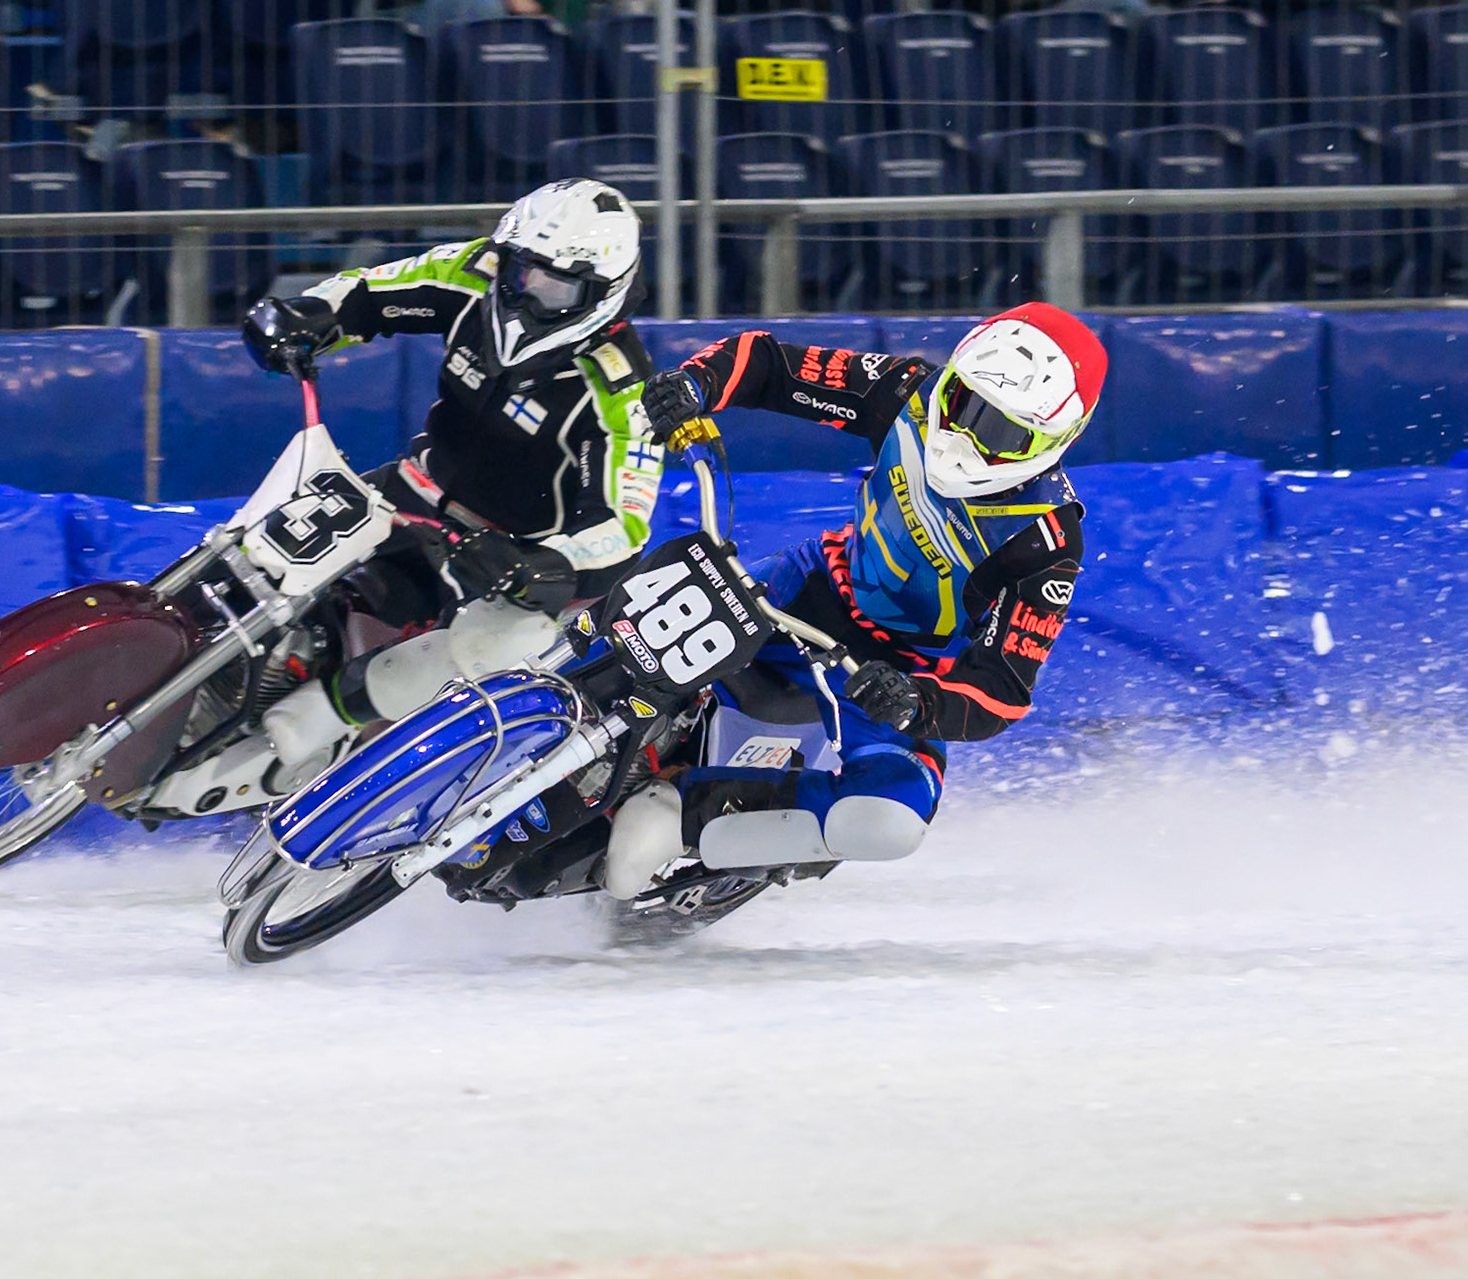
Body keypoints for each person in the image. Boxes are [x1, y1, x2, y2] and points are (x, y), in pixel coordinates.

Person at [601, 303, 1106, 895]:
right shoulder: (910, 391)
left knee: (889, 821)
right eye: (965, 403)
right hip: (807, 587)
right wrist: (695, 383)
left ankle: (688, 811)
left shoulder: (1047, 538)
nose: (964, 437)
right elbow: (770, 365)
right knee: (647, 604)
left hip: (890, 675)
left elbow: (1003, 688)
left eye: (1002, 430)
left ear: (1053, 440)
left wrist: (917, 704)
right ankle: (550, 679)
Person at [242, 178, 660, 770]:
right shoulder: (477, 271)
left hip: (510, 557)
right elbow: (369, 291)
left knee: (468, 648)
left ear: (601, 294)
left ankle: (333, 735)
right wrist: (308, 316)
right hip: (417, 488)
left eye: (554, 284)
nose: (525, 294)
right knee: (271, 545)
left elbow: (624, 524)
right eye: (521, 271)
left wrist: (549, 564)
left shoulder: (622, 389)